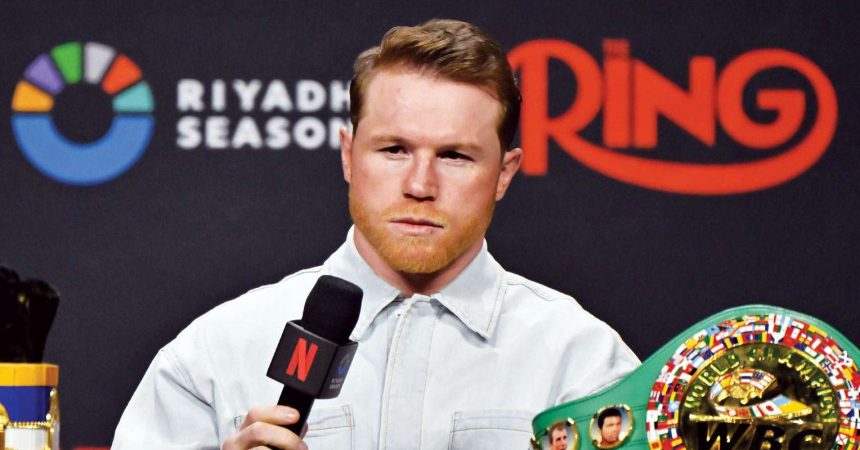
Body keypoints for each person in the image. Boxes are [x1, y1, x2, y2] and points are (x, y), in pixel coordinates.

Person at [112, 19, 639, 449]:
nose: (420, 185)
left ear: (504, 174)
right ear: (349, 155)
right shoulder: (216, 353)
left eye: (455, 156)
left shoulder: (582, 362)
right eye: (394, 150)